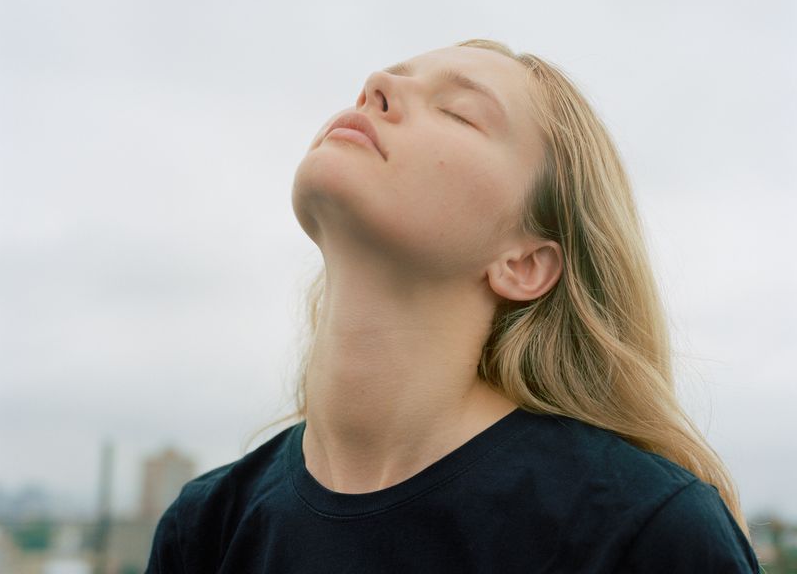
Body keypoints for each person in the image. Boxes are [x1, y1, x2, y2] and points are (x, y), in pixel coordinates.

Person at [145, 39, 760, 573]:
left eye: (459, 112)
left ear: (524, 263)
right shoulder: (203, 529)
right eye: (389, 79)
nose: (375, 86)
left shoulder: (645, 532)